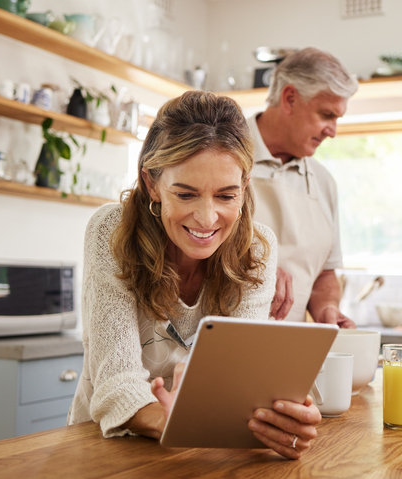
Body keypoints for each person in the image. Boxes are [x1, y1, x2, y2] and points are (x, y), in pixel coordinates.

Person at [67, 91, 321, 460]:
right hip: (107, 450)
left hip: (204, 450)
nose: (206, 218)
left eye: (226, 196)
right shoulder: (111, 230)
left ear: (245, 185)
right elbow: (114, 380)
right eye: (185, 195)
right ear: (152, 183)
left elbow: (243, 384)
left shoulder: (258, 248)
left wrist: (284, 418)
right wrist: (171, 421)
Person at [248, 47, 359, 328]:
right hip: (219, 342)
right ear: (290, 98)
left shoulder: (323, 182)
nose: (333, 131)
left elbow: (324, 275)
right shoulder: (221, 155)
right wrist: (250, 273)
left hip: (294, 352)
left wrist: (327, 308)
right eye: (326, 115)